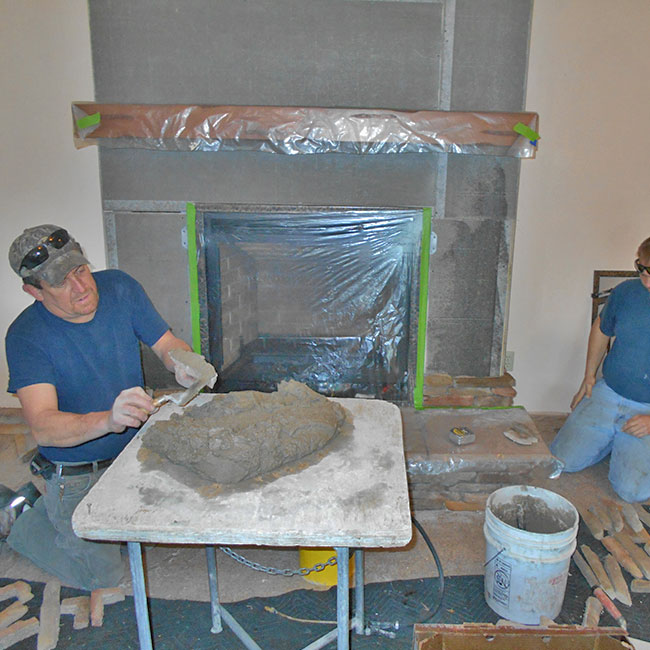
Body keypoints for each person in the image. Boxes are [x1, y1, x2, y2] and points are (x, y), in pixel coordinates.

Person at [3, 224, 207, 590]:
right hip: (77, 471)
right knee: (102, 575)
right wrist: (108, 420)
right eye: (61, 282)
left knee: (192, 507)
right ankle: (22, 520)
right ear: (33, 290)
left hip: (133, 451)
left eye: (80, 270)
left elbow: (166, 344)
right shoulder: (25, 336)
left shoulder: (118, 286)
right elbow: (44, 426)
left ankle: (51, 510)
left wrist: (182, 363)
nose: (81, 287)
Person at [550, 236, 650, 503]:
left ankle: (621, 441)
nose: (647, 281)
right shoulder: (627, 292)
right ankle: (611, 436)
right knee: (560, 461)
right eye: (642, 269)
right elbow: (602, 328)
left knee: (632, 491)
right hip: (611, 391)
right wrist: (589, 376)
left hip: (647, 410)